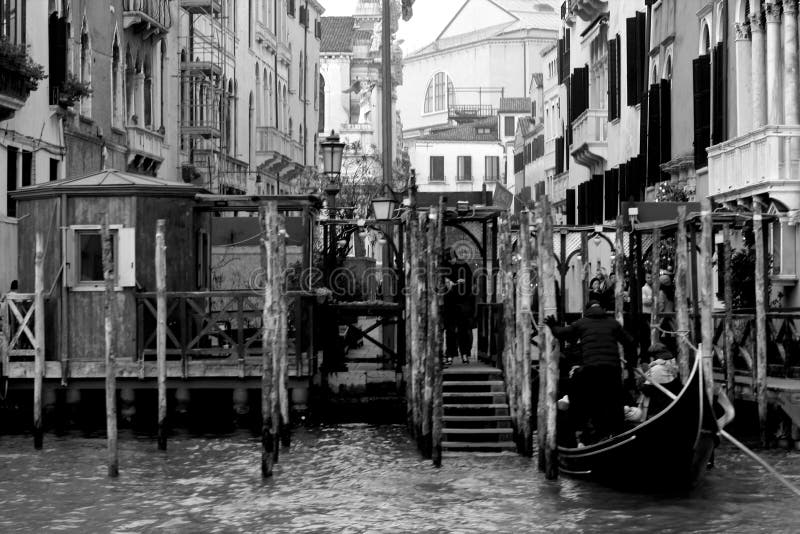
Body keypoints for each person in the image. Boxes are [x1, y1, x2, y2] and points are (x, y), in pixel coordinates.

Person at [545, 300, 636, 445]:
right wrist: (631, 367)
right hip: (612, 369)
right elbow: (630, 342)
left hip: (592, 370)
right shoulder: (613, 323)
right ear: (602, 309)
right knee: (614, 403)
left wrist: (552, 326)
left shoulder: (582, 322)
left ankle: (590, 437)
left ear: (587, 310)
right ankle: (617, 435)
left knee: (593, 402)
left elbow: (562, 334)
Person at [442, 247, 476, 366]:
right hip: (451, 303)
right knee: (450, 330)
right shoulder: (444, 267)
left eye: (453, 259)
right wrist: (455, 283)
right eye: (450, 260)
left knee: (463, 330)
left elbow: (470, 282)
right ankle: (451, 354)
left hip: (461, 303)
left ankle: (464, 354)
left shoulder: (463, 266)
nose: (452, 261)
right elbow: (443, 285)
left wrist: (454, 284)